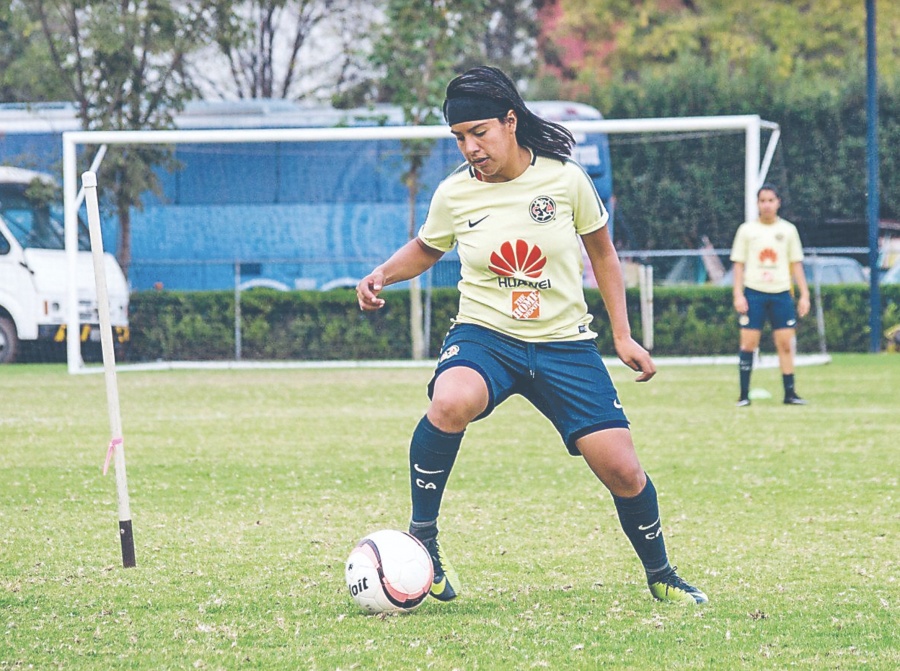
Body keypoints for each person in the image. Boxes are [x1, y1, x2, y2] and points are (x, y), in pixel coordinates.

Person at [356, 65, 707, 605]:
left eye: (480, 133)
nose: (470, 147)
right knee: (451, 400)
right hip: (486, 335)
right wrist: (382, 273)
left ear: (510, 121)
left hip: (565, 343)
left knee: (623, 469)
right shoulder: (454, 194)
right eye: (459, 138)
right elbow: (427, 247)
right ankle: (423, 540)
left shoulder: (565, 180)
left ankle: (661, 575)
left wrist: (623, 335)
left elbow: (603, 253)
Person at [730, 184, 810, 407]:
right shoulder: (747, 231)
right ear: (757, 204)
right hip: (754, 293)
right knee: (748, 344)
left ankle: (790, 393)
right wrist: (738, 294)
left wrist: (804, 294)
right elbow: (738, 265)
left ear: (778, 203)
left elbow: (796, 265)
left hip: (781, 293)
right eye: (762, 201)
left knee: (785, 343)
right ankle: (744, 394)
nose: (766, 205)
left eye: (770, 200)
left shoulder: (788, 231)